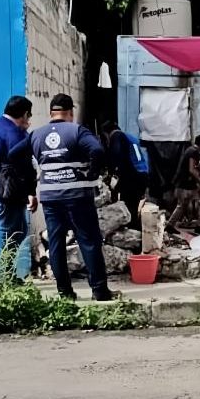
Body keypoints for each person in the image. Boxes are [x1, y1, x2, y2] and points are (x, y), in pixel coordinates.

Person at [27, 94, 116, 301]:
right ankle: (100, 291)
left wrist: (31, 187)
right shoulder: (77, 130)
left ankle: (65, 293)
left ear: (51, 113)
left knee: (56, 243)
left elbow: (15, 154)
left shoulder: (36, 135)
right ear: (71, 112)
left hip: (50, 198)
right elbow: (97, 150)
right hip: (77, 197)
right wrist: (92, 173)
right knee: (89, 241)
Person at [0, 95, 38, 279]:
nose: (28, 120)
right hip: (7, 189)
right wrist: (31, 191)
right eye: (28, 116)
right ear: (23, 114)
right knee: (7, 231)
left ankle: (5, 271)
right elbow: (24, 164)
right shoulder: (15, 133)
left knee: (19, 229)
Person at [100, 121, 149, 230]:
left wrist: (114, 176)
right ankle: (136, 232)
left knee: (128, 208)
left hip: (133, 176)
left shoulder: (116, 136)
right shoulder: (130, 137)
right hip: (142, 174)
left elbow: (117, 156)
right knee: (133, 206)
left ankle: (132, 236)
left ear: (107, 133)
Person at [166, 135, 200, 232]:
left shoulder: (191, 150)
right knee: (185, 205)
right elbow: (191, 170)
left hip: (185, 184)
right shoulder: (193, 152)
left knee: (192, 202)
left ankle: (171, 225)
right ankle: (199, 225)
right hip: (185, 185)